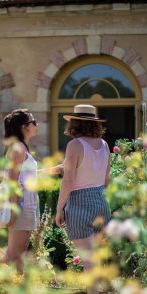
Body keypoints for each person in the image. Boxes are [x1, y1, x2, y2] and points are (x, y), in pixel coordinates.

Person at [55, 104, 111, 271]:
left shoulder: (75, 145)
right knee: (96, 259)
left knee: (88, 261)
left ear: (74, 124)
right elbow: (106, 179)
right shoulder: (104, 145)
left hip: (80, 204)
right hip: (101, 202)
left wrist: (59, 209)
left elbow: (68, 181)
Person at [2, 108, 39, 273]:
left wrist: (56, 169)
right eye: (34, 122)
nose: (36, 125)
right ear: (24, 127)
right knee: (14, 253)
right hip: (22, 204)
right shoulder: (18, 148)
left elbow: (25, 176)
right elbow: (12, 180)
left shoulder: (21, 147)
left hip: (26, 202)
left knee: (19, 253)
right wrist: (14, 208)